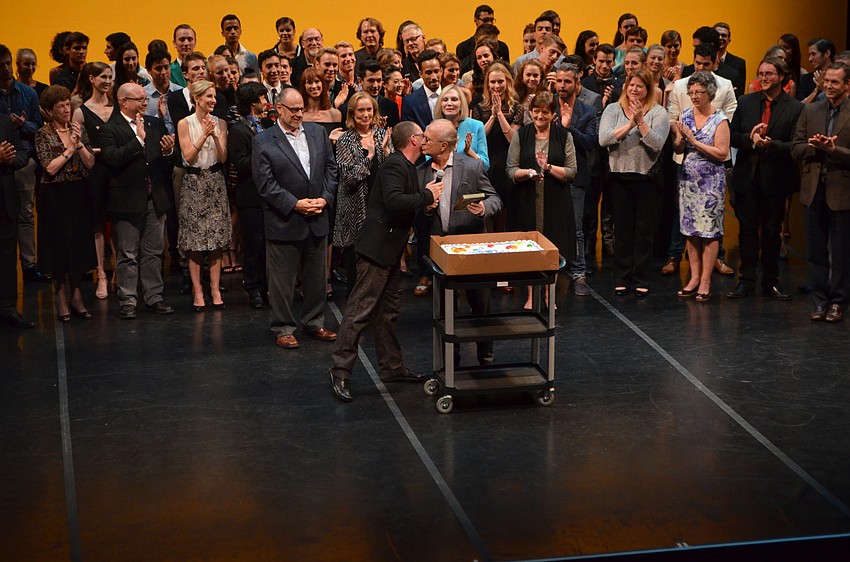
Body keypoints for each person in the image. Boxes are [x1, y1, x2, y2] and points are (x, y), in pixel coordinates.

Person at [328, 121, 442, 402]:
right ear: (413, 139)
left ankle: (391, 367)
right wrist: (427, 195)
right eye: (422, 136)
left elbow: (405, 207)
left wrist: (425, 204)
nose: (425, 140)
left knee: (388, 312)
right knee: (359, 311)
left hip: (390, 251)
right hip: (376, 250)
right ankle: (340, 370)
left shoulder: (408, 167)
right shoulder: (394, 165)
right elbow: (393, 201)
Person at [252, 88, 338, 349]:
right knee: (282, 281)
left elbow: (331, 169)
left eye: (302, 109)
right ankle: (283, 327)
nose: (299, 114)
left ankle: (314, 322)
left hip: (317, 216)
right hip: (285, 219)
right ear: (279, 109)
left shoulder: (317, 132)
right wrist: (295, 204)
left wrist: (325, 199)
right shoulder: (263, 141)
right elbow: (266, 184)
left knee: (316, 278)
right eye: (294, 109)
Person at [418, 118, 501, 363]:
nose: (423, 143)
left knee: (480, 302)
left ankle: (485, 353)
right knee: (445, 307)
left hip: (472, 248)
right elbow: (415, 213)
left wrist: (483, 208)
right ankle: (450, 357)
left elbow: (495, 199)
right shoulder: (421, 172)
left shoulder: (472, 167)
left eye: (428, 139)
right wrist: (426, 208)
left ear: (443, 145)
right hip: (440, 250)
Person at [727, 57, 803, 301]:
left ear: (781, 76)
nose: (764, 78)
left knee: (771, 232)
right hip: (748, 178)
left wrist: (771, 144)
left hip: (776, 179)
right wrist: (750, 139)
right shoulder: (746, 102)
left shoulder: (795, 108)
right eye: (761, 73)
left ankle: (771, 281)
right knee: (747, 231)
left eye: (769, 74)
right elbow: (732, 136)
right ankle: (746, 281)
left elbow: (795, 145)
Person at [100, 83, 175, 319]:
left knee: (154, 252)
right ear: (124, 102)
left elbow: (162, 162)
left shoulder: (154, 124)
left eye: (145, 98)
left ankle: (154, 296)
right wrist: (138, 141)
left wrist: (168, 152)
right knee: (128, 253)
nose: (145, 102)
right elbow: (112, 159)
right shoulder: (110, 129)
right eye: (139, 99)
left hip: (155, 198)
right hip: (127, 200)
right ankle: (128, 300)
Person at [599, 69, 669, 297]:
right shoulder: (613, 109)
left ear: (648, 89)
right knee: (622, 231)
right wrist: (630, 125)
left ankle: (641, 278)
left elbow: (657, 144)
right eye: (631, 85)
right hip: (619, 178)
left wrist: (641, 121)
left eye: (640, 86)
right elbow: (604, 139)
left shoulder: (658, 112)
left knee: (644, 233)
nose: (634, 89)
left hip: (646, 179)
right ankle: (621, 277)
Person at [507, 91, 577, 309]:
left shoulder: (563, 136)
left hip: (556, 200)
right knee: (529, 247)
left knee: (553, 247)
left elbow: (571, 171)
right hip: (527, 198)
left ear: (553, 114)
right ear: (530, 112)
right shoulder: (521, 135)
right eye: (536, 111)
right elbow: (511, 169)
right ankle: (531, 295)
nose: (540, 116)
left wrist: (547, 167)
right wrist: (529, 173)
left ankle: (549, 295)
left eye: (545, 112)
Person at [792, 62, 850, 323]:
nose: (828, 86)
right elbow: (795, 147)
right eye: (826, 81)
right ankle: (819, 301)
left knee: (841, 252)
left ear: (847, 85)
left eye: (835, 82)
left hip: (841, 191)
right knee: (816, 252)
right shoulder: (811, 110)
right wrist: (815, 147)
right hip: (813, 190)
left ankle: (838, 302)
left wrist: (833, 150)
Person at [35, 85, 96, 321]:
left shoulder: (78, 130)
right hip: (55, 195)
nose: (66, 109)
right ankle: (61, 297)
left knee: (78, 245)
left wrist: (78, 144)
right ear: (50, 111)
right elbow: (49, 168)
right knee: (59, 247)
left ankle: (77, 296)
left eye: (67, 104)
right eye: (60, 106)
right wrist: (69, 150)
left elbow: (90, 163)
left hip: (78, 192)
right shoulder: (43, 134)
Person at [671, 72, 730, 302]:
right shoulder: (686, 115)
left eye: (699, 92)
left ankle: (706, 280)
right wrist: (679, 140)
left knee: (709, 233)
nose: (694, 96)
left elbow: (722, 153)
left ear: (710, 93)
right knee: (691, 232)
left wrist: (694, 141)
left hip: (711, 184)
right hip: (689, 182)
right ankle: (694, 278)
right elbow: (679, 149)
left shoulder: (719, 119)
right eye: (692, 92)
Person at [176, 80, 229, 311]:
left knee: (216, 240)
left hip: (215, 182)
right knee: (194, 242)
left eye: (214, 96)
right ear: (196, 99)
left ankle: (215, 290)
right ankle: (198, 291)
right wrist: (203, 135)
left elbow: (223, 157)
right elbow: (188, 156)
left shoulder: (221, 123)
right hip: (194, 183)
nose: (213, 101)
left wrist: (216, 136)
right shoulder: (184, 123)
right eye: (208, 96)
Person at [333, 92, 391, 294]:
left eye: (369, 110)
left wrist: (386, 153)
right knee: (355, 261)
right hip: (354, 206)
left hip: (379, 206)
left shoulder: (382, 135)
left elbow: (390, 171)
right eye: (361, 110)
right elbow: (349, 177)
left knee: (378, 259)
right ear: (352, 113)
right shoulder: (345, 140)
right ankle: (355, 302)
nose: (366, 114)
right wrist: (370, 157)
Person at [0, 44, 47, 284]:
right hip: (0, 164)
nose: (6, 69)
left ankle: (29, 265)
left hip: (24, 161)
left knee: (27, 214)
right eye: (2, 65)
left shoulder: (28, 94)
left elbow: (38, 127)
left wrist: (22, 125)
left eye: (8, 63)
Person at [553, 64, 599, 296]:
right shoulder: (547, 106)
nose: (562, 86)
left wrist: (569, 127)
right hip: (549, 174)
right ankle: (549, 269)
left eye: (567, 81)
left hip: (575, 177)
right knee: (549, 225)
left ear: (577, 83)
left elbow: (590, 143)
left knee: (576, 228)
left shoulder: (588, 111)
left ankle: (578, 273)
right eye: (559, 81)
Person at [72, 62, 115, 300]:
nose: (107, 81)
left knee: (119, 222)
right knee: (98, 224)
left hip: (118, 170)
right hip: (95, 172)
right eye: (102, 77)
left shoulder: (117, 106)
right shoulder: (81, 112)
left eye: (110, 77)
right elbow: (78, 144)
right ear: (91, 79)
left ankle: (120, 271)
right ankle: (101, 274)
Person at [227, 81, 269, 309]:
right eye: (263, 98)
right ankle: (253, 289)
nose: (266, 102)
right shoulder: (237, 130)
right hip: (250, 197)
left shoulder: (267, 125)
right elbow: (241, 164)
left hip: (269, 196)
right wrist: (262, 152)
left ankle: (267, 286)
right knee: (253, 246)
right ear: (254, 103)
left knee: (268, 247)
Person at [471, 62, 523, 233]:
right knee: (486, 208)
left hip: (506, 162)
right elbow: (479, 137)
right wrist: (492, 116)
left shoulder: (516, 108)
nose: (496, 86)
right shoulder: (479, 107)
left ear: (507, 82)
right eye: (492, 82)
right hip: (486, 162)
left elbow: (512, 139)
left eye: (500, 81)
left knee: (504, 211)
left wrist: (500, 113)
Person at [0, 111, 33, 328]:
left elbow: (22, 152)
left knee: (7, 256)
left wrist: (10, 159)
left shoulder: (4, 120)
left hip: (6, 199)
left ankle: (7, 307)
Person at [401, 50, 441, 130]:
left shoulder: (452, 96)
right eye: (428, 73)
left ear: (441, 71)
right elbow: (409, 131)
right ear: (420, 74)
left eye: (436, 71)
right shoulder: (410, 102)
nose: (434, 77)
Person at [300, 67, 342, 138]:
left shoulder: (335, 114)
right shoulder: (299, 115)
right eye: (309, 82)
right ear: (304, 86)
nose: (314, 86)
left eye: (317, 81)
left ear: (322, 84)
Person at [798, 38, 835, 104]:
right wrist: (817, 90)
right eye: (810, 55)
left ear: (827, 54)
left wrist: (824, 88)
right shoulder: (806, 79)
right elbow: (799, 107)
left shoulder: (840, 78)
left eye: (813, 54)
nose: (810, 59)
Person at [516, 58, 545, 124]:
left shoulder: (545, 95)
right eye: (528, 75)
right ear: (522, 75)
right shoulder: (514, 94)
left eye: (535, 75)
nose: (532, 78)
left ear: (541, 76)